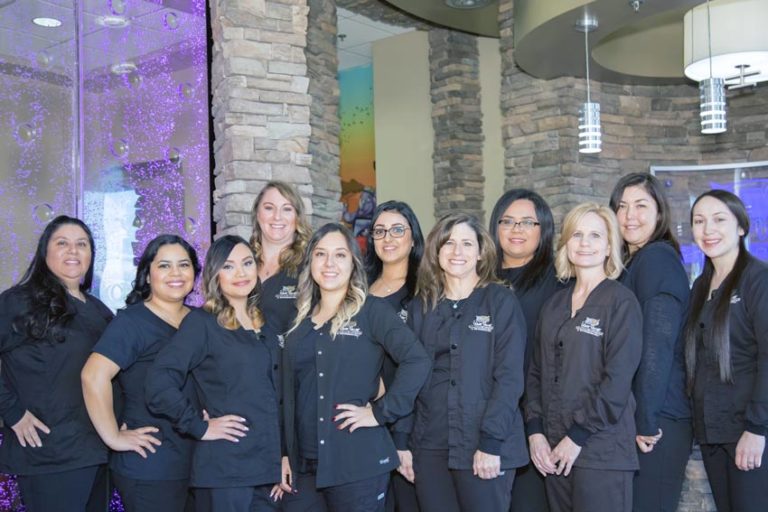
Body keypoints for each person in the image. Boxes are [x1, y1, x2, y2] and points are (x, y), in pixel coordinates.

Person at [281, 223, 431, 512]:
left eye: (340, 255)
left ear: (353, 263)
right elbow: (289, 393)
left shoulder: (372, 311)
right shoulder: (299, 322)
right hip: (305, 466)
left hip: (356, 464)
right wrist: (285, 453)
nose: (329, 263)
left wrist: (381, 412)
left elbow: (417, 360)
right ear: (310, 261)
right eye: (321, 254)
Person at [395, 212, 528, 512]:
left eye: (467, 243)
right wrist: (402, 440)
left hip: (484, 444)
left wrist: (491, 443)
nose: (457, 252)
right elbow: (408, 378)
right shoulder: (421, 307)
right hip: (429, 445)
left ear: (481, 251)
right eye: (449, 243)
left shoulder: (500, 302)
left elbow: (509, 378)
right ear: (436, 251)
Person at [145, 236, 284, 511]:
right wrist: (199, 426)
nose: (241, 273)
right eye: (229, 266)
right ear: (214, 274)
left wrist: (280, 458)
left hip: (268, 471)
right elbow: (158, 383)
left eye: (246, 263)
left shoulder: (267, 322)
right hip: (227, 471)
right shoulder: (202, 323)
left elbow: (276, 394)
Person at [526, 203, 642, 512]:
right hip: (553, 449)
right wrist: (535, 430)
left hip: (600, 449)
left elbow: (617, 381)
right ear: (566, 243)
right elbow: (536, 372)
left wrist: (576, 437)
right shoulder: (554, 305)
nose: (585, 243)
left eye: (595, 235)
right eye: (577, 234)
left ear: (608, 246)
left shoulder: (622, 303)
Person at [0, 215, 114, 512]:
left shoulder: (99, 310)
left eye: (82, 244)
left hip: (98, 450)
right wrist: (11, 412)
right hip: (49, 454)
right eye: (62, 243)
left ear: (91, 254)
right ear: (44, 252)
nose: (73, 251)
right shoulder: (19, 301)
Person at [81, 234, 201, 512]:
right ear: (147, 275)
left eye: (184, 265)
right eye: (164, 265)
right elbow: (93, 376)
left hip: (197, 462)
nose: (175, 273)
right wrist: (112, 436)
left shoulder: (200, 319)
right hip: (152, 465)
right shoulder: (132, 322)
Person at [609, 173, 692, 512]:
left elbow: (657, 344)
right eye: (622, 206)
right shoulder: (633, 262)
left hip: (659, 420)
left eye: (641, 206)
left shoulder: (657, 259)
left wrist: (646, 420)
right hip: (644, 416)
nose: (630, 215)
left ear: (660, 213)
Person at [683, 189, 768, 512]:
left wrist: (756, 429)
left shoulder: (758, 280)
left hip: (749, 429)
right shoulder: (700, 287)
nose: (708, 230)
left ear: (741, 227)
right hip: (712, 431)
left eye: (719, 220)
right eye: (699, 221)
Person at [489, 189, 562, 512]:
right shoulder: (477, 279)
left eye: (527, 222)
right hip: (486, 415)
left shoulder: (560, 282)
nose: (516, 230)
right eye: (508, 221)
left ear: (543, 229)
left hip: (537, 417)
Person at [365, 200, 425, 512]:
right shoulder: (358, 290)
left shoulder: (425, 292)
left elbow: (423, 363)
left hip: (408, 421)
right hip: (364, 421)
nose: (388, 238)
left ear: (413, 237)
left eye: (397, 230)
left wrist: (403, 433)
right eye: (380, 231)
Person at [250, 180, 312, 334]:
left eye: (287, 209)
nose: (277, 217)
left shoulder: (310, 267)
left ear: (297, 217)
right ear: (257, 214)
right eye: (269, 208)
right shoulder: (243, 263)